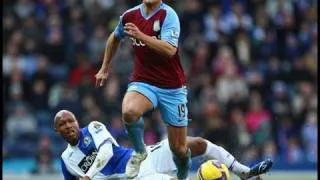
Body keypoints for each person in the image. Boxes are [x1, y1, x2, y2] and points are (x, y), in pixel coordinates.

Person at [95, 0, 190, 179]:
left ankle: (183, 175)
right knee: (129, 111)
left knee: (179, 149)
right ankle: (140, 152)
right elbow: (114, 37)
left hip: (172, 88)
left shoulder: (168, 15)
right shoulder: (130, 16)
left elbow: (170, 50)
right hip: (144, 81)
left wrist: (141, 36)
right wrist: (105, 67)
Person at [54, 110, 273, 180]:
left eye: (70, 121)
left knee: (195, 143)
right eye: (62, 124)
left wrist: (88, 175)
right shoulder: (66, 161)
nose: (68, 126)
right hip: (135, 178)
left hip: (142, 157)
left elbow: (105, 152)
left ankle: (244, 172)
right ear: (57, 131)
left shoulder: (93, 127)